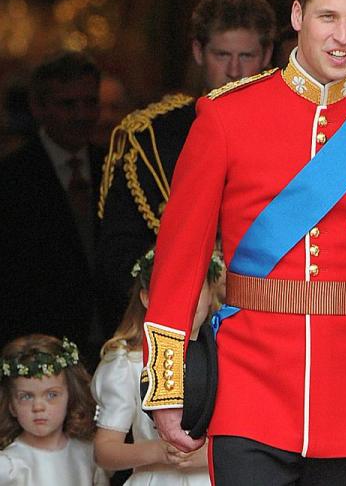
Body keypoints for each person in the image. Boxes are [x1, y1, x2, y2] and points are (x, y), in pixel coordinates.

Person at [140, 0, 346, 485]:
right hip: (248, 390)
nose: (342, 36)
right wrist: (167, 387)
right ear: (297, 17)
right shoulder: (225, 116)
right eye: (328, 17)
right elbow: (179, 259)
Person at [96, 0, 276, 335]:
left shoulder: (297, 131)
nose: (235, 71)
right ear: (198, 51)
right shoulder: (149, 138)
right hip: (175, 327)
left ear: (267, 54)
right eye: (222, 55)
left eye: (247, 56)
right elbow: (118, 260)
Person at [91, 248, 223, 485]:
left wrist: (212, 455)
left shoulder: (227, 354)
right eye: (171, 288)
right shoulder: (128, 361)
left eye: (196, 287)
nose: (185, 299)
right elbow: (105, 451)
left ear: (210, 291)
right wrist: (161, 452)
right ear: (146, 297)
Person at [0, 52, 103, 354]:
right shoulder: (12, 179)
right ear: (38, 108)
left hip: (109, 341)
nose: (82, 115)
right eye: (68, 105)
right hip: (39, 349)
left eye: (90, 102)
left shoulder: (116, 167)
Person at [0, 334, 108, 485]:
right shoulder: (7, 466)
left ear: (70, 397)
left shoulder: (87, 455)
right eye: (26, 397)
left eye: (52, 395)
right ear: (11, 405)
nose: (38, 407)